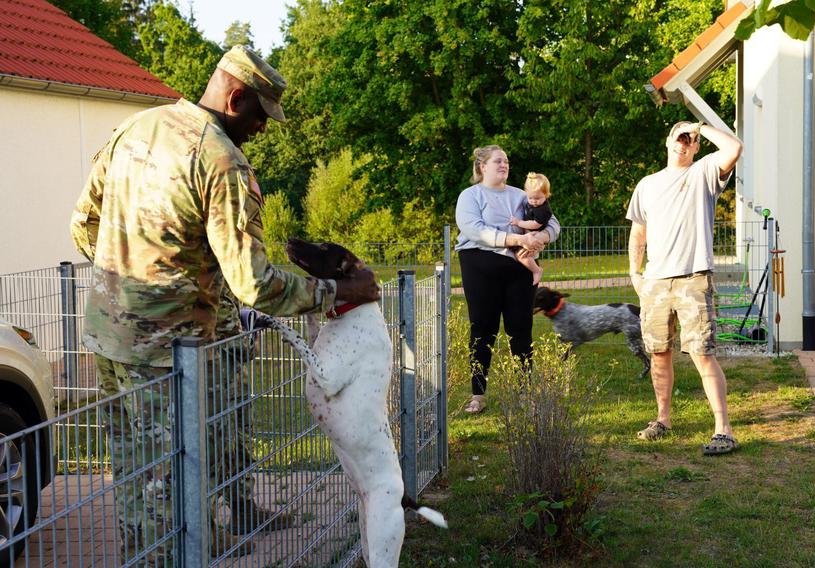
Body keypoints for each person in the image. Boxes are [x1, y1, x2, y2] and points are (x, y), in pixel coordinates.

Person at [70, 45, 379, 563]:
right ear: (237, 98)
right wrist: (337, 293)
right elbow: (254, 284)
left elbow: (84, 224)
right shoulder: (220, 160)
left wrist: (123, 286)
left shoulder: (139, 127)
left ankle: (157, 553)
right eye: (261, 117)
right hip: (170, 352)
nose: (262, 129)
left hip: (106, 337)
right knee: (167, 482)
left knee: (131, 472)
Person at [626, 120, 743, 456]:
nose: (682, 143)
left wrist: (700, 126)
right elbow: (638, 232)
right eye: (678, 137)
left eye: (689, 140)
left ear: (695, 147)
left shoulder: (704, 172)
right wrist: (635, 273)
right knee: (659, 353)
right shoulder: (647, 185)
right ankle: (662, 419)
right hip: (656, 282)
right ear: (667, 142)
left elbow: (734, 148)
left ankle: (723, 429)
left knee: (701, 353)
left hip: (694, 278)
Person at [455, 145, 561, 414]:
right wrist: (516, 238)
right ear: (482, 167)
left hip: (518, 270)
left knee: (521, 328)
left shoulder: (522, 195)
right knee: (482, 328)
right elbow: (475, 230)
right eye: (498, 161)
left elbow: (552, 223)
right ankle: (478, 394)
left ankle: (525, 393)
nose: (504, 165)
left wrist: (540, 238)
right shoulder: (470, 196)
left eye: (506, 161)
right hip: (480, 266)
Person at [510, 172, 554, 285]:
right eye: (530, 198)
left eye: (538, 198)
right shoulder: (531, 202)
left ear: (546, 194)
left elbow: (535, 224)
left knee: (521, 256)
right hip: (528, 234)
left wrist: (519, 222)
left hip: (535, 236)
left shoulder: (543, 210)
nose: (534, 201)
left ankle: (537, 270)